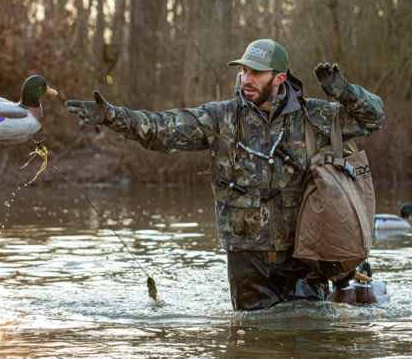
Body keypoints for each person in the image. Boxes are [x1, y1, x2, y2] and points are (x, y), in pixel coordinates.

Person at [66, 39, 384, 311]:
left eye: (256, 73)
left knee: (305, 337)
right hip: (247, 257)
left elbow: (372, 119)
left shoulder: (313, 116)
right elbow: (161, 130)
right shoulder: (220, 119)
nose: (246, 78)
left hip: (304, 253)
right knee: (253, 339)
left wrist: (344, 91)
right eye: (244, 70)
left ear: (279, 78)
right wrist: (112, 116)